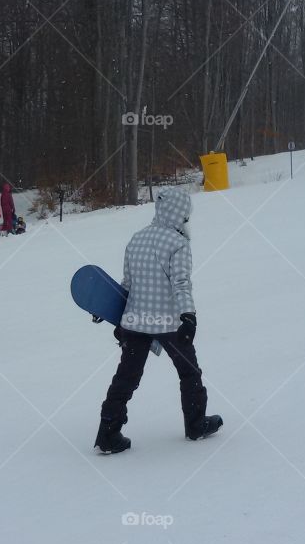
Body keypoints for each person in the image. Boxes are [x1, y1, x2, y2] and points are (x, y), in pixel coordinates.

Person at [95, 186, 222, 455]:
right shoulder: (178, 243)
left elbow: (127, 284)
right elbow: (181, 284)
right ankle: (196, 424)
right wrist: (188, 316)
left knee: (126, 377)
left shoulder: (137, 238)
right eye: (186, 214)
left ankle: (107, 433)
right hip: (168, 322)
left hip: (135, 321)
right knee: (189, 371)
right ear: (180, 213)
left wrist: (111, 310)